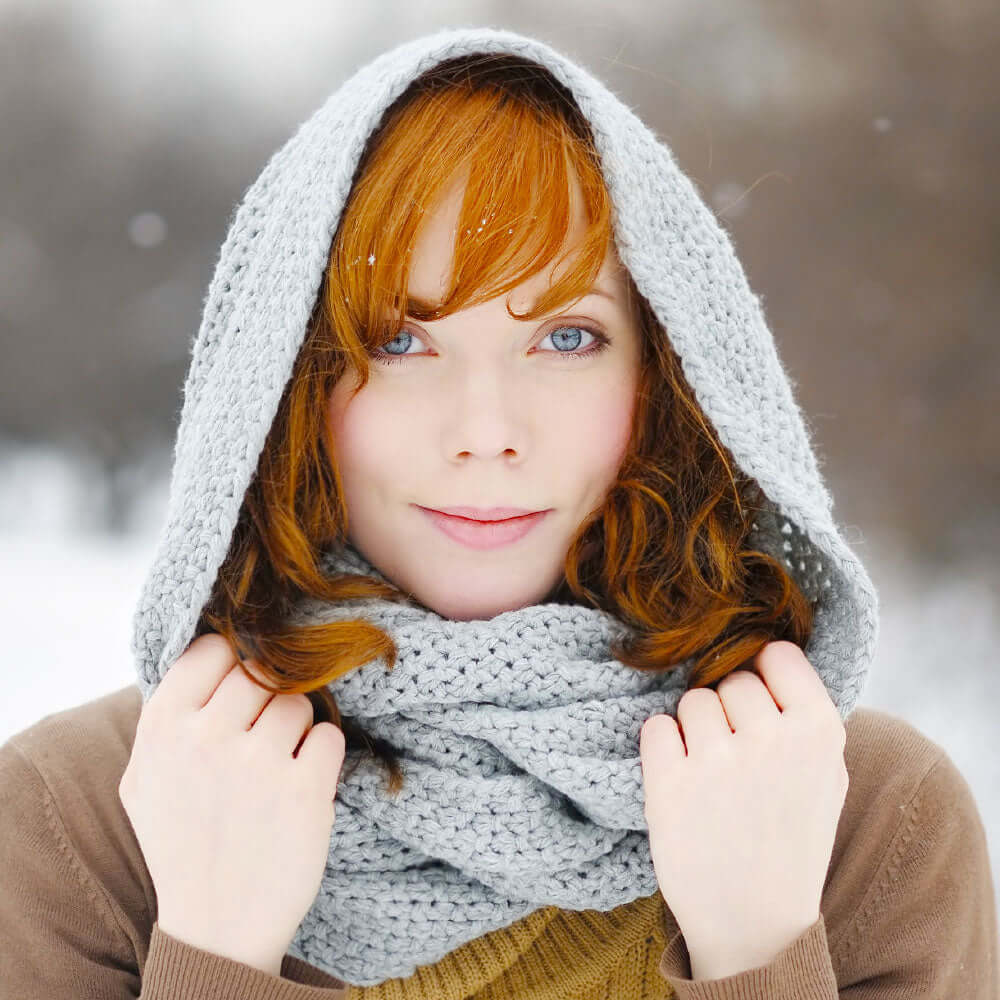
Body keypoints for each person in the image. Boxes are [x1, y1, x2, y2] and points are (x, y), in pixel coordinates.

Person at [0, 26, 996, 1000]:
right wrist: (214, 951)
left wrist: (760, 952)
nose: (486, 430)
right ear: (289, 385)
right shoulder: (84, 822)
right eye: (398, 339)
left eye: (565, 336)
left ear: (666, 379)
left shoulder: (858, 822)